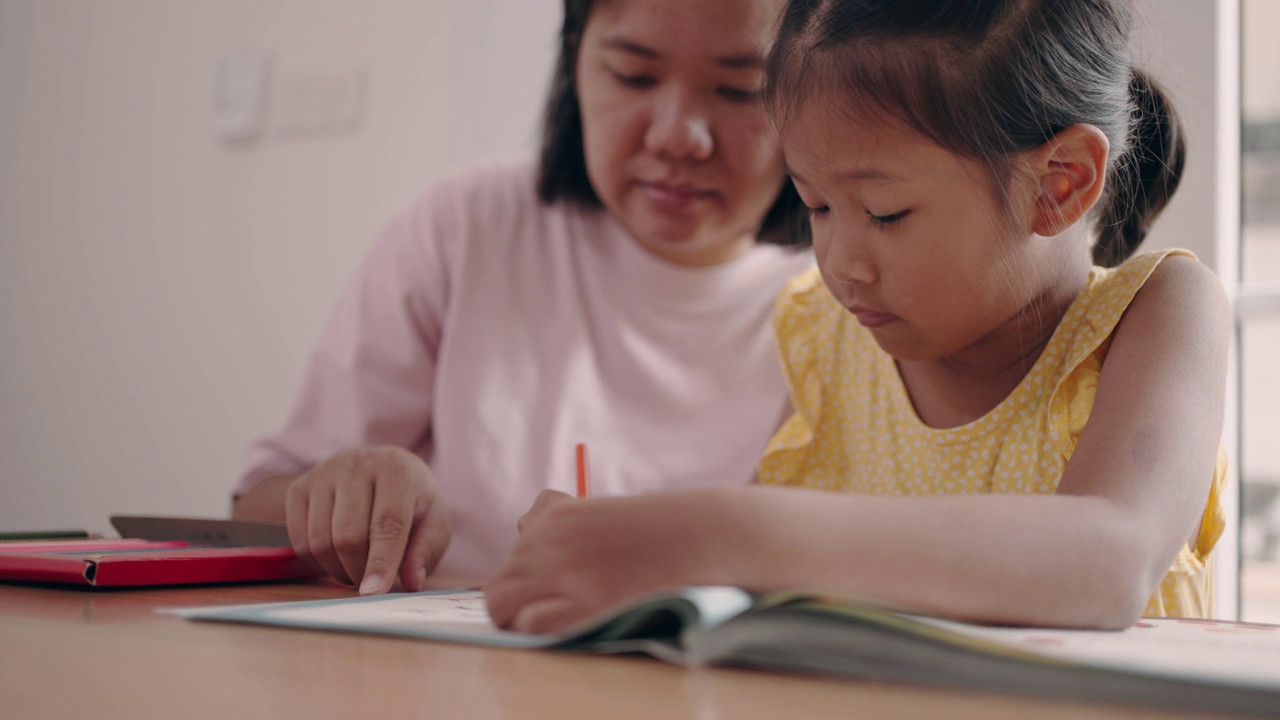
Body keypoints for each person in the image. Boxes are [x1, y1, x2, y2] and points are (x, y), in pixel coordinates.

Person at [485, 0, 1231, 633]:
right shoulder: (827, 337)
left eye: (885, 212)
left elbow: (1109, 561)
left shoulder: (1159, 316)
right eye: (816, 205)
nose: (840, 260)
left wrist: (720, 532)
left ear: (1058, 185)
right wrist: (628, 552)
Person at [230, 0, 812, 594]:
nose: (677, 136)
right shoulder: (469, 226)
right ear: (574, 60)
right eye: (634, 76)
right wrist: (347, 495)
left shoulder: (846, 302)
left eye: (741, 90)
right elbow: (253, 504)